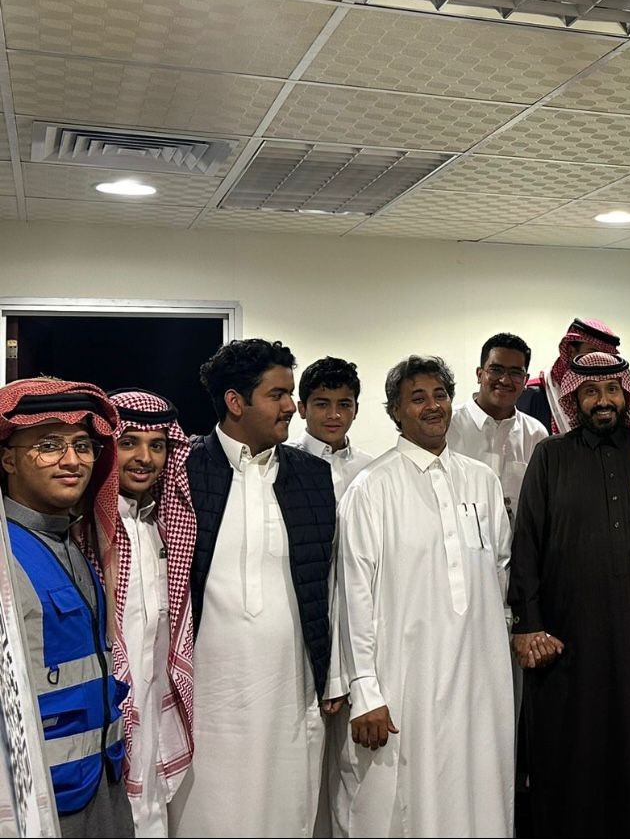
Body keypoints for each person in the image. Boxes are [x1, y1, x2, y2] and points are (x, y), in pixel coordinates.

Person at [509, 351, 630, 837]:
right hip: (571, 641)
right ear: (575, 399)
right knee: (576, 752)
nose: (602, 401)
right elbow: (526, 545)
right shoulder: (550, 457)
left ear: (626, 394)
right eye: (591, 392)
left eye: (612, 390)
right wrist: (528, 624)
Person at [327, 355, 513, 836]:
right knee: (401, 803)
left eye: (440, 395)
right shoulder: (371, 488)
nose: (432, 406)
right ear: (395, 411)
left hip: (479, 679)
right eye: (417, 398)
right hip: (403, 680)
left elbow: (500, 572)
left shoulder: (482, 480)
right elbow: (353, 595)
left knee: (480, 790)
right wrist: (365, 690)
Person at [170, 339, 336, 838]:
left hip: (290, 686)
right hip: (208, 693)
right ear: (235, 402)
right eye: (277, 394)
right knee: (208, 811)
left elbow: (327, 585)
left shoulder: (313, 477)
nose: (291, 406)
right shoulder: (184, 469)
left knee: (286, 804)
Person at [0, 378, 133, 837]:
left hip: (100, 780)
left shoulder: (70, 541)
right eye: (49, 445)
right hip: (33, 800)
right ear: (8, 459)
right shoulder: (5, 552)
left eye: (82, 445)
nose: (72, 460)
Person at [108, 389, 198, 838]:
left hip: (152, 690)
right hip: (108, 702)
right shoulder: (89, 525)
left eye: (158, 445)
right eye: (129, 443)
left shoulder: (161, 524)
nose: (145, 458)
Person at [447, 332, 547, 521]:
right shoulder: (448, 426)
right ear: (479, 374)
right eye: (496, 370)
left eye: (515, 373)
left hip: (517, 539)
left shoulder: (536, 434)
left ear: (525, 380)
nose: (505, 380)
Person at [288, 356, 373, 498]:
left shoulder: (368, 467)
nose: (334, 415)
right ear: (302, 409)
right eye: (322, 404)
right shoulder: (280, 463)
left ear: (356, 410)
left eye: (344, 405)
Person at [515, 317, 620, 434]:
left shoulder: (610, 399)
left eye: (607, 356)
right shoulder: (533, 393)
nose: (601, 361)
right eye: (593, 353)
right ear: (571, 352)